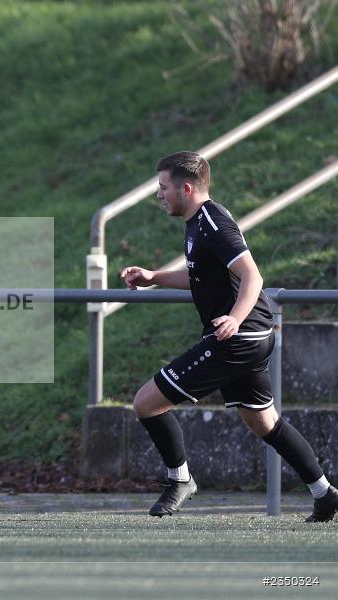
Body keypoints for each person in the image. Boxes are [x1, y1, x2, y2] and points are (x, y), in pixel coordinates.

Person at [121, 151, 337, 521]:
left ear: (186, 188)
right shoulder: (198, 221)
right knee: (263, 422)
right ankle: (326, 493)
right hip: (249, 336)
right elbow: (201, 275)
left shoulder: (212, 222)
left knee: (146, 403)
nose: (159, 194)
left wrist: (235, 319)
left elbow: (253, 276)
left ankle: (180, 479)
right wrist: (154, 277)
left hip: (239, 338)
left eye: (163, 187)